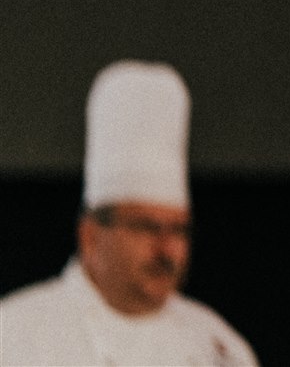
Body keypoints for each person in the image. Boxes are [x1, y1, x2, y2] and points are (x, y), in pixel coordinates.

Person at [0, 60, 258, 366]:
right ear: (91, 236)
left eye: (179, 230)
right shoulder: (14, 335)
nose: (167, 249)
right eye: (147, 227)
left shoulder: (218, 346)